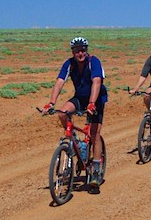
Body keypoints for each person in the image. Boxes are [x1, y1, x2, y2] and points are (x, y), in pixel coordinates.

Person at [41, 36, 108, 188]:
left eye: (83, 50)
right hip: (80, 97)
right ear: (73, 52)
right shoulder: (69, 64)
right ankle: (76, 142)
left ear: (86, 50)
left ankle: (96, 170)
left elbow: (97, 81)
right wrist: (51, 103)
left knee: (94, 134)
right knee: (62, 113)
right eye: (77, 51)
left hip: (96, 99)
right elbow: (59, 81)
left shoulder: (93, 62)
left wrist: (92, 104)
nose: (80, 54)